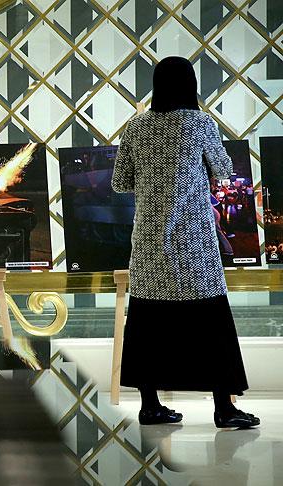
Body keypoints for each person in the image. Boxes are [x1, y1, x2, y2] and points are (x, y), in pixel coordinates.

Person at [112, 56, 258, 428]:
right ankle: (224, 408)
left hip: (149, 245)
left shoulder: (136, 126)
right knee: (211, 325)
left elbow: (120, 183)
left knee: (148, 326)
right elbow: (224, 169)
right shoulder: (200, 123)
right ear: (190, 85)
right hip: (193, 244)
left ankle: (150, 406)